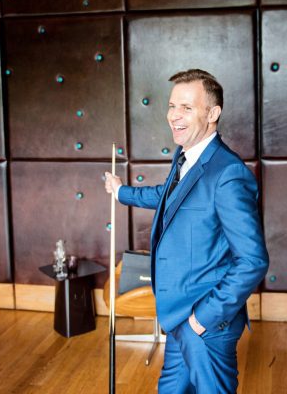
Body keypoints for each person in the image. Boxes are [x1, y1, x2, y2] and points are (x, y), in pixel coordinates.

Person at [104, 69, 269, 393]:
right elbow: (169, 196)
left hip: (205, 324)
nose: (174, 116)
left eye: (186, 108)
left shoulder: (228, 173)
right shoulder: (186, 156)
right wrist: (122, 192)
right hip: (179, 314)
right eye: (171, 106)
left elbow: (253, 261)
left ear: (213, 113)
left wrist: (200, 320)